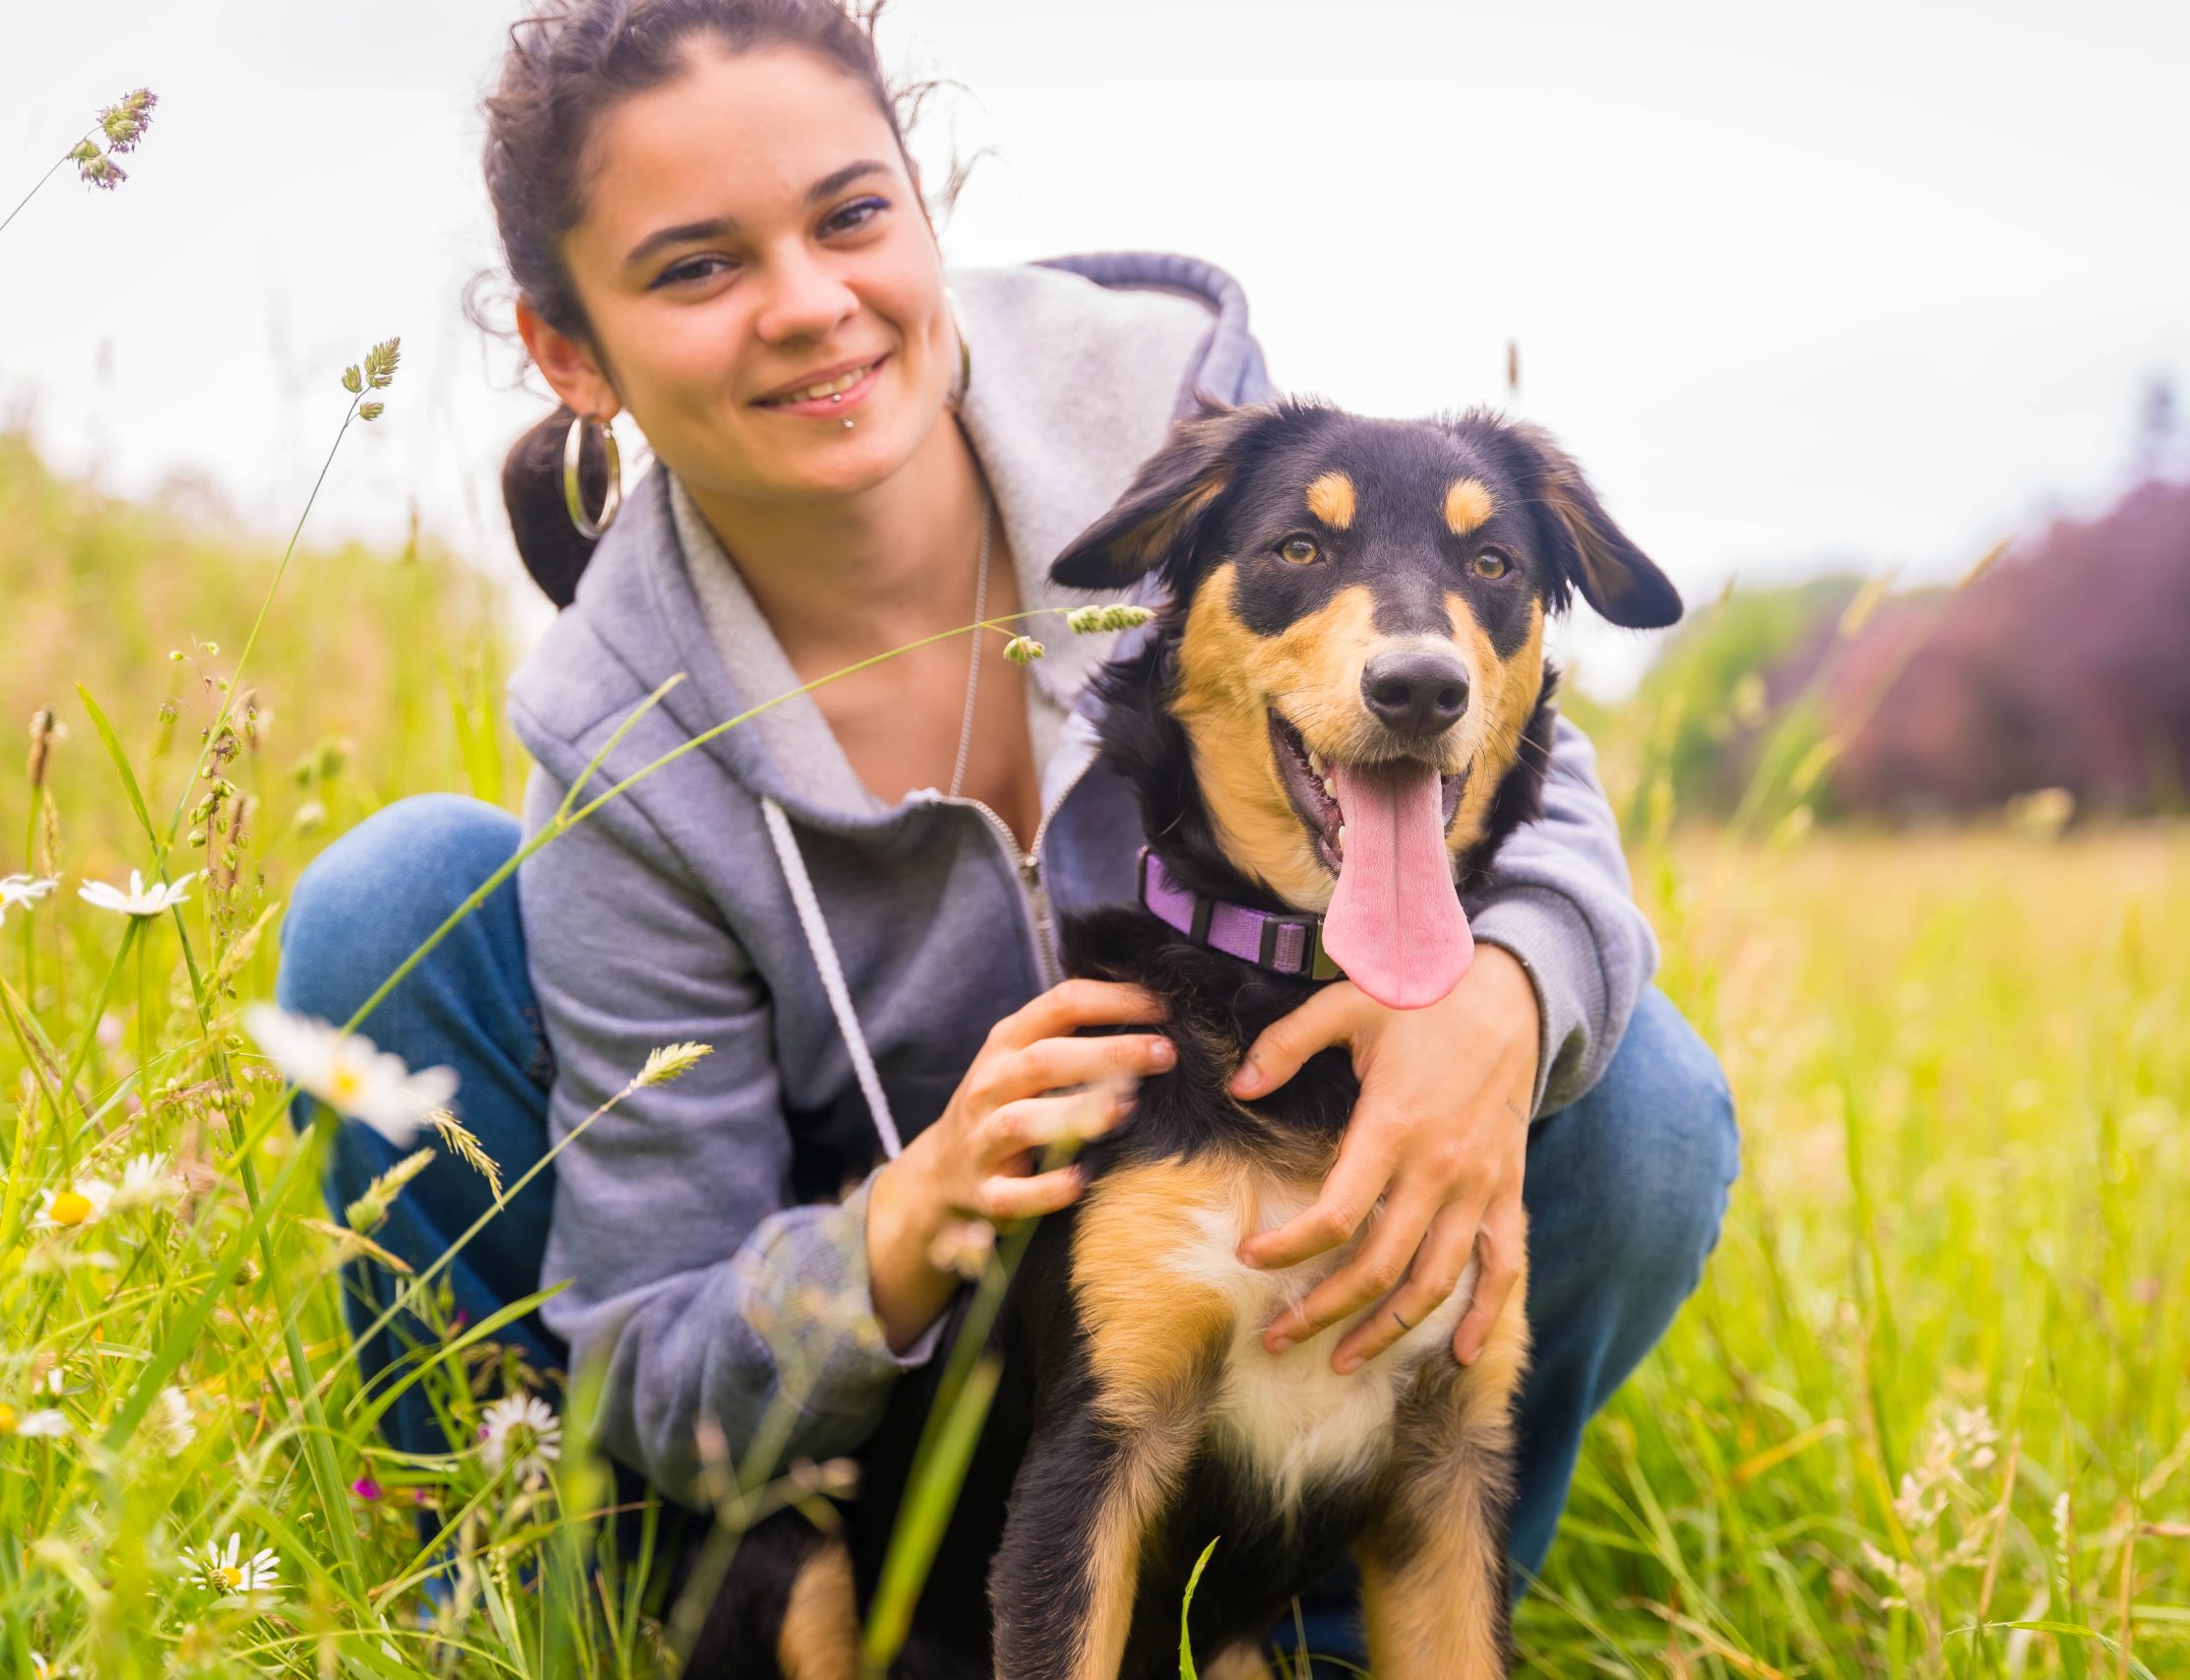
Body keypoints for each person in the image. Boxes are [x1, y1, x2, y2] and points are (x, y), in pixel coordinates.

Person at [274, 0, 1737, 1662]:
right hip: (900, 1381)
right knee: (394, 888)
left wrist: (1508, 991)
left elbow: (1491, 730)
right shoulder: (622, 734)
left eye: (849, 216)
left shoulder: (1179, 417)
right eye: (696, 268)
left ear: (924, 206)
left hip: (1296, 1121)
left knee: (1651, 1105)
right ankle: (498, 1597)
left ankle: (1311, 1627)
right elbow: (653, 1348)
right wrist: (899, 1228)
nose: (813, 305)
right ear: (571, 351)